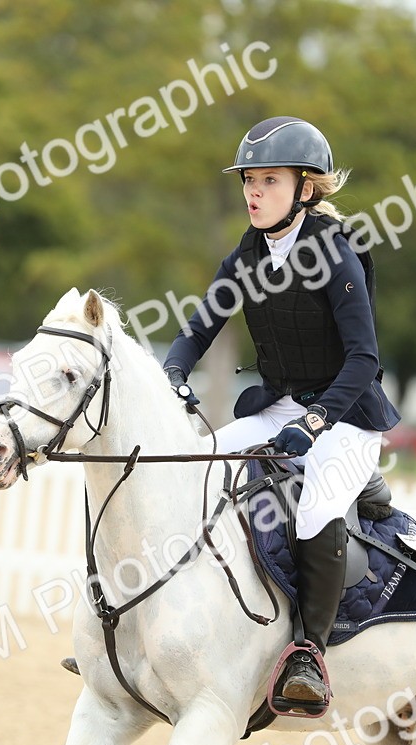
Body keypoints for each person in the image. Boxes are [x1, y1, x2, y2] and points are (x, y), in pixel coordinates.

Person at [161, 117, 401, 707]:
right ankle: (161, 619)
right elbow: (197, 330)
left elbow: (364, 359)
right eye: (249, 180)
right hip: (280, 409)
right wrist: (172, 371)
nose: (254, 191)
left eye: (269, 180)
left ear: (306, 189)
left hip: (346, 419)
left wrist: (315, 423)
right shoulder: (244, 258)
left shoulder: (336, 254)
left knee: (316, 505)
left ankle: (308, 653)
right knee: (202, 459)